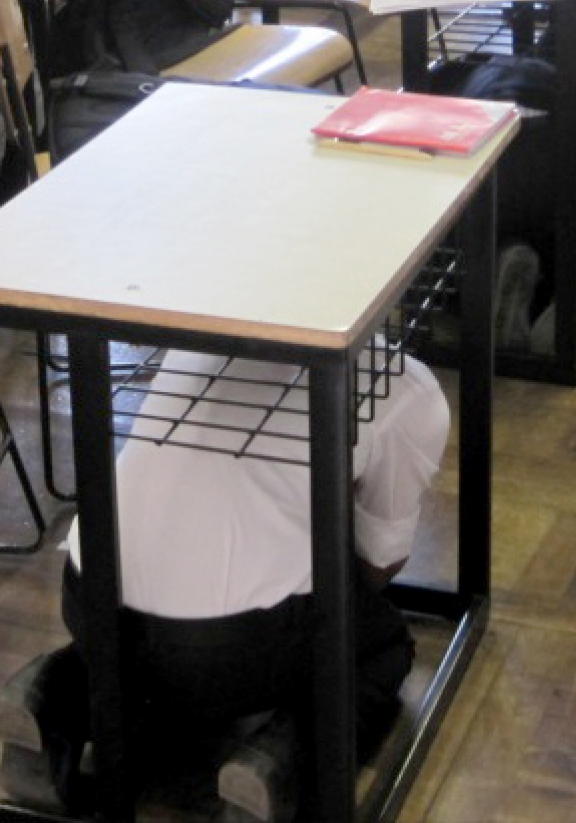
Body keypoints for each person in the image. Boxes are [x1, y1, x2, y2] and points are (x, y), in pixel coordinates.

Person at [0, 346, 451, 820]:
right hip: (228, 651)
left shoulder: (195, 339)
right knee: (379, 645)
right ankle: (278, 765)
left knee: (141, 644)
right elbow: (379, 566)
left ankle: (49, 700)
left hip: (87, 594)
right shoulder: (404, 386)